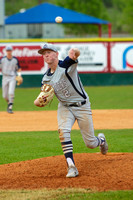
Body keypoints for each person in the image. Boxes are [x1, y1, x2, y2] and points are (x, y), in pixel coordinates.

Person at [34, 43, 108, 178]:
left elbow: (75, 54)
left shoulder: (66, 64)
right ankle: (71, 166)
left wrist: (75, 52)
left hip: (82, 106)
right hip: (65, 107)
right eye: (43, 54)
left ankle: (101, 141)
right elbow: (42, 97)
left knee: (90, 143)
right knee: (63, 132)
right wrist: (38, 102)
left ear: (56, 54)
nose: (46, 55)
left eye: (49, 52)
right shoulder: (45, 78)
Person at [0, 45, 21, 114]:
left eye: (10, 50)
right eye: (7, 50)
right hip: (5, 77)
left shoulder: (15, 59)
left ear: (12, 51)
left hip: (12, 77)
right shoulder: (2, 60)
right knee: (4, 96)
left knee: (11, 93)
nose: (9, 52)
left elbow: (18, 68)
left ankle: (10, 108)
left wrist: (19, 76)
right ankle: (9, 102)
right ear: (6, 51)